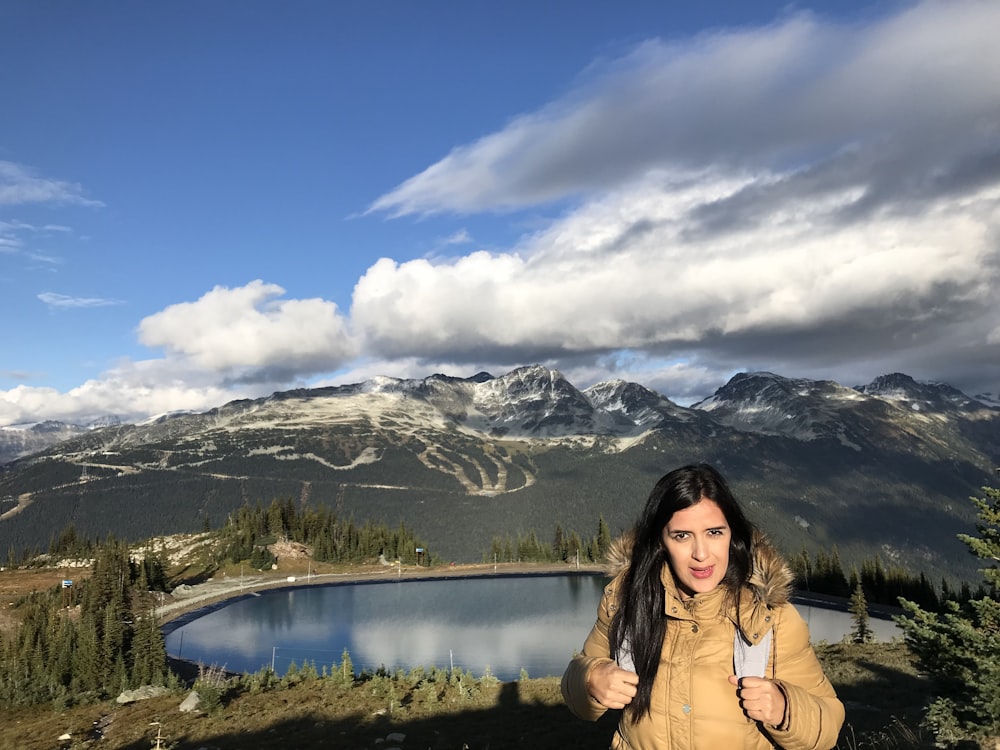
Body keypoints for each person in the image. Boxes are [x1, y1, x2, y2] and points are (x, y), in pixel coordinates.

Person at [562, 463, 845, 749]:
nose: (701, 554)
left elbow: (829, 724)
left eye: (714, 533)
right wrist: (591, 679)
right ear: (661, 541)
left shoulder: (769, 617)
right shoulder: (625, 600)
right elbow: (578, 692)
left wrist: (785, 709)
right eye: (682, 536)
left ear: (731, 535)